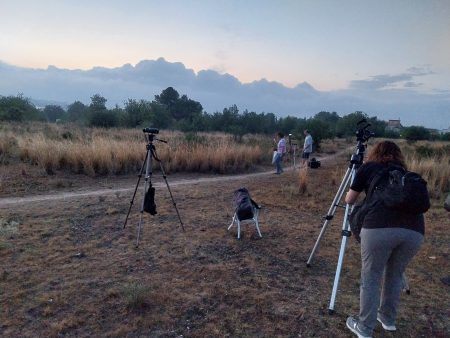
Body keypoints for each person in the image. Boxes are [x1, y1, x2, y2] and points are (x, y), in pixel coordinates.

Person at [344, 141, 425, 338]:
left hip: (378, 227)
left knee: (371, 275)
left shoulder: (369, 167)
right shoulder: (405, 174)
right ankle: (388, 319)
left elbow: (349, 199)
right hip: (414, 232)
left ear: (376, 153)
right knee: (395, 274)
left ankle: (364, 327)